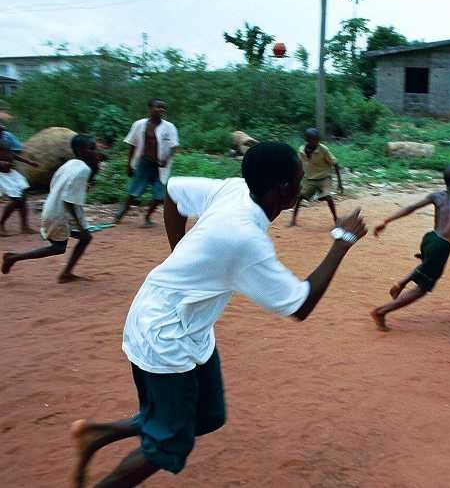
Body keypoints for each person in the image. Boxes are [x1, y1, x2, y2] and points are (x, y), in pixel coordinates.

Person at [69, 141, 367, 488]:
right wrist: (341, 240)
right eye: (299, 179)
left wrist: (181, 254)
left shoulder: (236, 189)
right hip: (164, 333)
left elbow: (174, 192)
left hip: (189, 325)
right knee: (169, 443)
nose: (302, 187)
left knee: (207, 414)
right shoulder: (243, 238)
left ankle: (97, 434)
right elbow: (300, 306)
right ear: (283, 190)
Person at [370, 164, 450, 332]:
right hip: (442, 246)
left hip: (430, 239)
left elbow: (411, 208)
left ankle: (402, 282)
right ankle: (381, 312)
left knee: (428, 266)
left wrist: (386, 220)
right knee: (422, 289)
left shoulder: (436, 196)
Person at [2, 134, 99, 283]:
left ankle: (66, 274)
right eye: (91, 148)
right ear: (80, 151)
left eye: (94, 148)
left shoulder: (71, 163)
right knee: (59, 247)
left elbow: (56, 185)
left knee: (84, 238)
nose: (95, 152)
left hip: (55, 208)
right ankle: (13, 258)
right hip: (61, 213)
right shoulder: (83, 169)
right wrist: (80, 225)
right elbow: (69, 201)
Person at [114, 98, 179, 227]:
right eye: (158, 107)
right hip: (143, 163)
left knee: (160, 196)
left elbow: (174, 146)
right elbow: (132, 145)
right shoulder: (139, 125)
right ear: (150, 108)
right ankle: (119, 215)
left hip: (160, 166)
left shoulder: (169, 127)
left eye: (163, 107)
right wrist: (129, 164)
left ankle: (147, 217)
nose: (161, 110)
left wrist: (166, 159)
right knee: (134, 191)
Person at [289, 127, 343, 227]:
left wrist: (340, 183)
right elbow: (299, 166)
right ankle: (293, 220)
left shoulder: (323, 150)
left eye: (318, 139)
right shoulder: (301, 151)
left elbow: (335, 163)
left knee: (328, 196)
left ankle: (336, 220)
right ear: (307, 140)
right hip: (310, 179)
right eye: (314, 139)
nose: (317, 141)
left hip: (324, 178)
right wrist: (296, 180)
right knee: (300, 197)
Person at [0, 123, 40, 236]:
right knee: (17, 200)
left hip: (10, 172)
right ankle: (1, 224)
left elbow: (11, 154)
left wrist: (29, 162)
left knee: (23, 198)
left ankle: (25, 226)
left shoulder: (5, 137)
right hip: (2, 175)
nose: (2, 126)